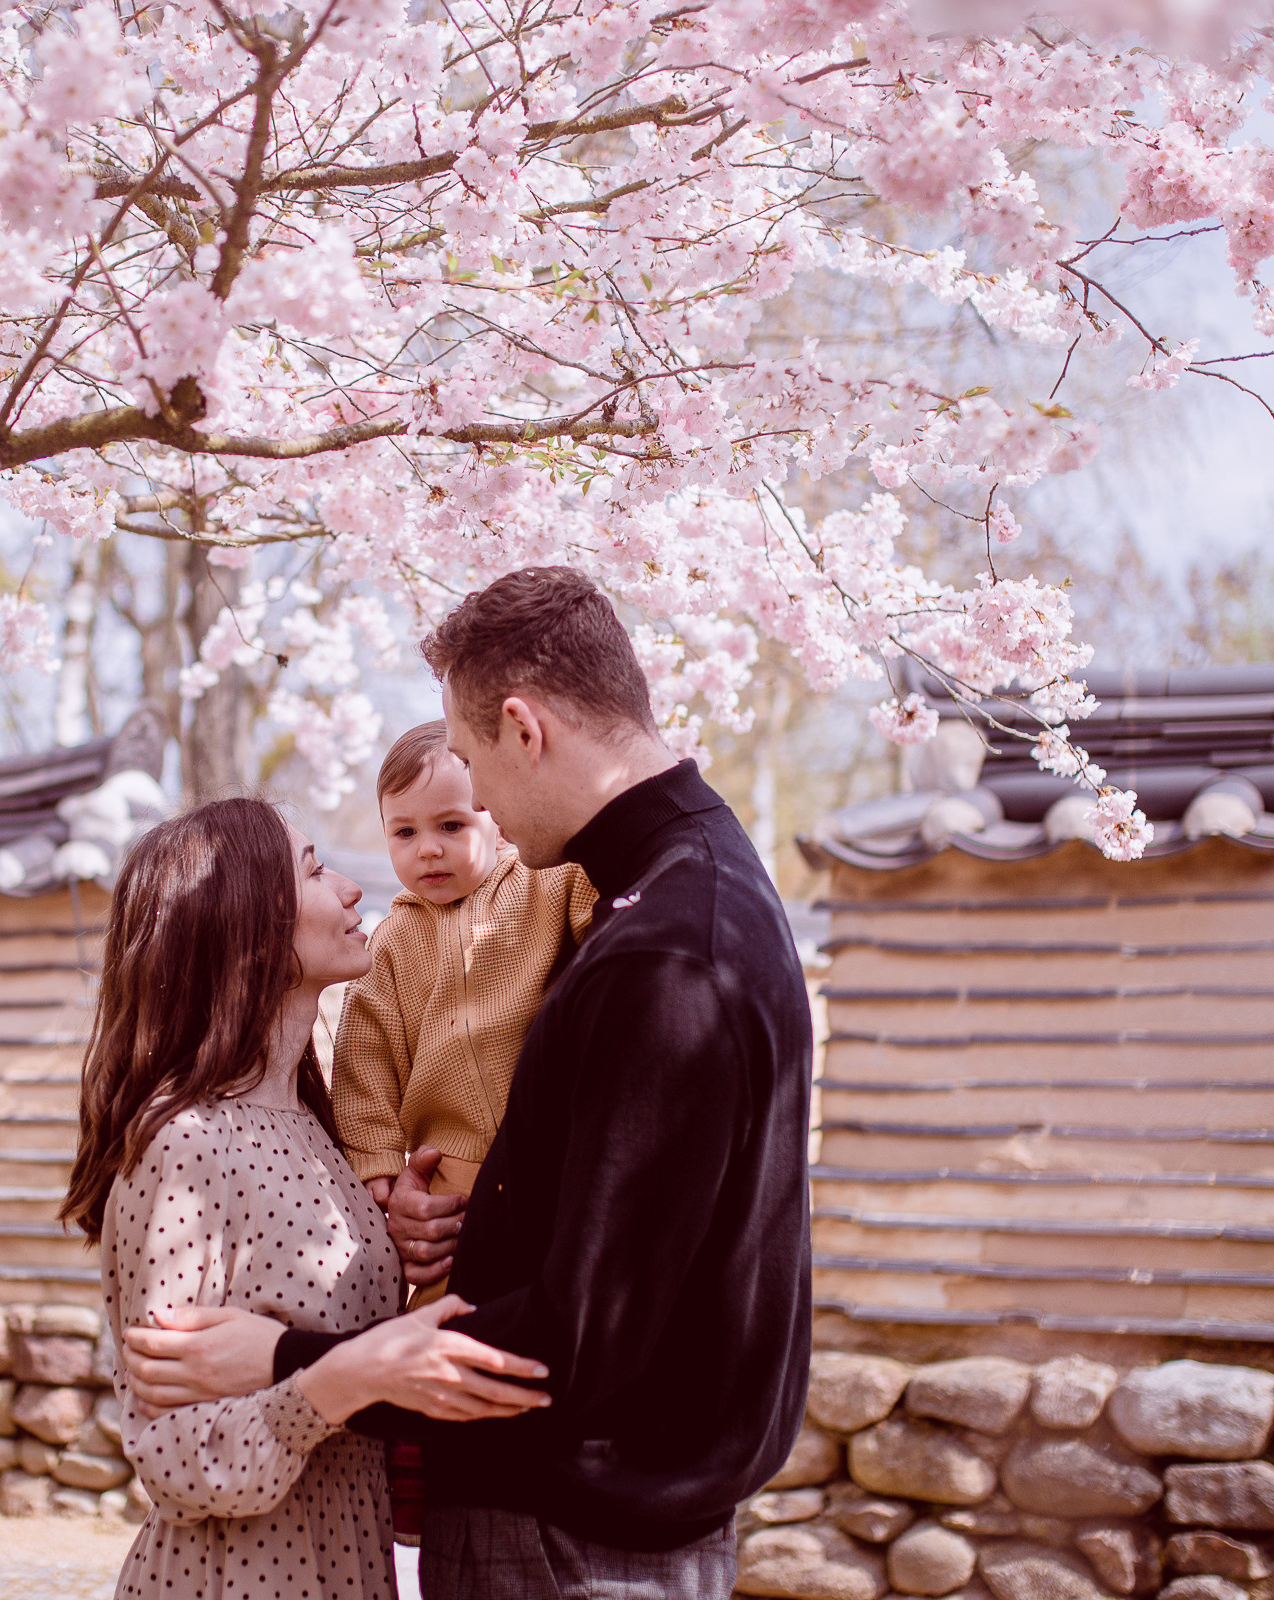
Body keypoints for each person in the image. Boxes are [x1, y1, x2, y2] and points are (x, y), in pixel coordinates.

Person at [125, 569, 815, 1599]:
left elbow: (570, 1343)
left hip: (567, 1535)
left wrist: (291, 1365)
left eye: (470, 754)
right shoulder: (670, 900)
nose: (473, 799)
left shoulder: (665, 956)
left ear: (524, 729)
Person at [62, 797, 551, 1600]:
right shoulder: (183, 1146)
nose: (355, 889)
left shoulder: (319, 1130)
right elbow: (175, 1458)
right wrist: (338, 1381)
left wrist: (406, 1239)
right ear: (248, 924)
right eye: (316, 868)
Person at [334, 718, 595, 1303]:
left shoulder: (548, 883)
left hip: (555, 1146)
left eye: (451, 825)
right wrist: (378, 1163)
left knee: (559, 1293)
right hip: (452, 1172)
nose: (428, 848)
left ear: (495, 818)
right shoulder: (391, 941)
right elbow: (365, 1056)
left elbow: (610, 934)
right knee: (450, 1301)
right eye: (404, 832)